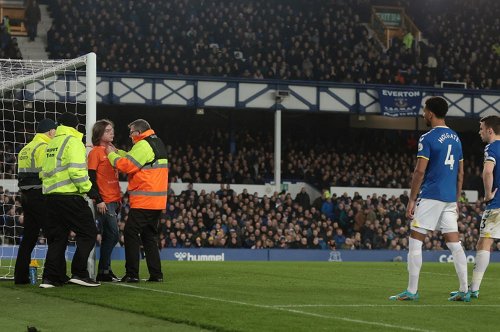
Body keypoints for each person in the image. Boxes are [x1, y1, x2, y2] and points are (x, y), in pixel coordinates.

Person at [389, 96, 469, 302]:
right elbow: (461, 173)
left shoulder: (428, 138)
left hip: (431, 195)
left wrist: (411, 199)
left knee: (415, 241)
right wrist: (457, 199)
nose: (424, 114)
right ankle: (464, 290)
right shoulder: (456, 137)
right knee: (454, 243)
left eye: (425, 111)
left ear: (431, 113)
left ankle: (412, 291)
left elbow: (419, 171)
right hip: (450, 197)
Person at [40, 112, 99, 288]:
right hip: (70, 196)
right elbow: (76, 172)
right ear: (76, 126)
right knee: (88, 232)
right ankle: (80, 273)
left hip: (51, 197)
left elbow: (43, 172)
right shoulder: (73, 142)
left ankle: (50, 278)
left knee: (58, 238)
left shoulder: (52, 143)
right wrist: (90, 190)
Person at [106, 119, 168, 283]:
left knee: (130, 233)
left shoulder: (143, 145)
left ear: (138, 133)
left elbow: (127, 166)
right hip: (156, 200)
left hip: (145, 199)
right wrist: (119, 152)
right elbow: (136, 160)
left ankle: (132, 274)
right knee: (149, 236)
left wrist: (111, 154)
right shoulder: (156, 142)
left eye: (131, 132)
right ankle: (156, 274)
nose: (130, 135)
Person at [451, 115, 500, 299]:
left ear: (490, 130)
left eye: (481, 129)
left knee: (484, 242)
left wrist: (488, 195)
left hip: (497, 204)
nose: (479, 133)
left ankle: (473, 289)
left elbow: (488, 171)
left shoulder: (492, 147)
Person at [14, 119, 57, 284]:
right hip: (40, 194)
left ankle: (21, 277)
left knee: (29, 237)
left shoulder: (26, 148)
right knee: (53, 235)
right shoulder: (44, 148)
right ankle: (51, 275)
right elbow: (45, 173)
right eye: (55, 131)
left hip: (26, 196)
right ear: (50, 132)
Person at [87, 119, 123, 282]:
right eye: (108, 130)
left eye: (112, 130)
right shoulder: (96, 152)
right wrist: (98, 199)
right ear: (99, 133)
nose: (112, 132)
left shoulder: (112, 150)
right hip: (104, 200)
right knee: (113, 234)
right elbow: (91, 178)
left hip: (114, 199)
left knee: (111, 235)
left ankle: (105, 271)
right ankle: (103, 270)